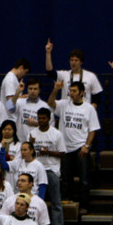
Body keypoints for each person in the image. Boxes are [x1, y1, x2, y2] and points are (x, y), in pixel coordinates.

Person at [47, 79, 99, 211]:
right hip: (65, 148)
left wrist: (86, 146)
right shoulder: (64, 104)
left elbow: (93, 129)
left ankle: (84, 205)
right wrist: (56, 90)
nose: (71, 93)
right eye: (70, 90)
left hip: (80, 147)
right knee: (65, 179)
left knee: (84, 179)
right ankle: (67, 202)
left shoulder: (89, 109)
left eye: (74, 91)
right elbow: (50, 103)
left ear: (82, 92)